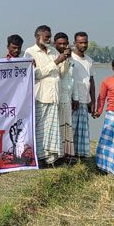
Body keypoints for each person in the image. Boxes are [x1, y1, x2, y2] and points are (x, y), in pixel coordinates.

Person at [24, 25, 66, 164]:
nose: (49, 39)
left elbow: (60, 73)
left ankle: (50, 157)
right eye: (46, 37)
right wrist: (56, 62)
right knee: (40, 129)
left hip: (54, 96)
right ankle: (39, 157)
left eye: (49, 36)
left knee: (51, 130)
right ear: (38, 37)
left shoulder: (53, 51)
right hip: (40, 96)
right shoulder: (30, 53)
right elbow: (35, 74)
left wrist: (65, 59)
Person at [70, 32, 96, 159]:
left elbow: (91, 81)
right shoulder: (70, 58)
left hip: (85, 99)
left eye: (85, 42)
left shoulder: (89, 60)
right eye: (80, 42)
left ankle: (81, 155)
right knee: (72, 129)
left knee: (82, 130)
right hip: (73, 100)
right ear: (75, 43)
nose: (83, 45)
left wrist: (93, 101)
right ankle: (69, 155)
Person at [54, 33, 75, 160]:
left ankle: (66, 153)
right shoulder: (51, 56)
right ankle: (57, 154)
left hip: (67, 97)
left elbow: (73, 79)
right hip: (55, 96)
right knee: (57, 126)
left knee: (66, 126)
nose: (62, 46)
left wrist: (75, 96)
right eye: (59, 44)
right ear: (55, 44)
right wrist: (61, 59)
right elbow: (60, 74)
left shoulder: (70, 59)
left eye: (64, 44)